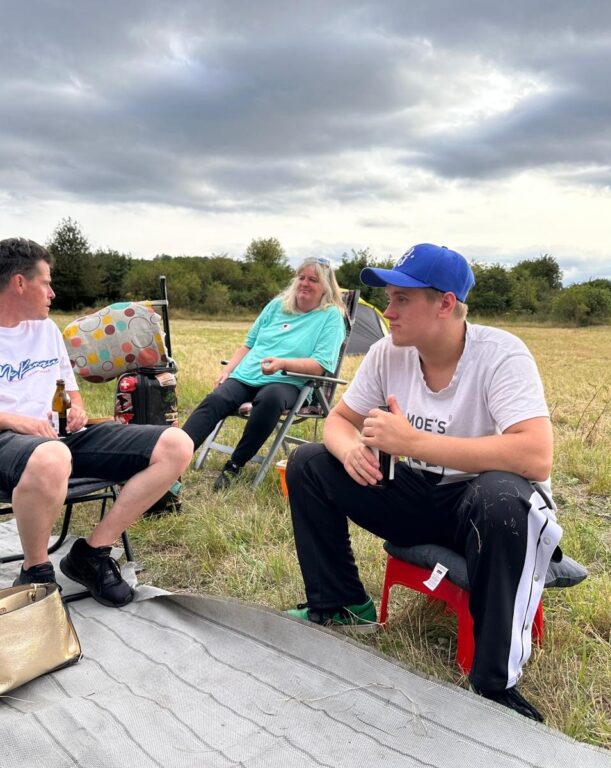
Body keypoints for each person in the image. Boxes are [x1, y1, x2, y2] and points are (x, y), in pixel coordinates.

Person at [284, 243, 561, 722]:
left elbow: (535, 455)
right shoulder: (387, 352)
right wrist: (351, 450)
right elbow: (337, 421)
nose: (387, 312)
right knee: (310, 462)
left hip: (487, 508)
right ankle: (342, 604)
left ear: (445, 304)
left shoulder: (500, 354)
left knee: (499, 494)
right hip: (420, 494)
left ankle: (494, 681)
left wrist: (412, 442)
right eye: (388, 299)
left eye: (401, 300)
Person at [0, 237, 193, 606]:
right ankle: (36, 571)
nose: (52, 292)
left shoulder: (46, 332)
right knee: (51, 456)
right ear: (19, 283)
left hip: (57, 437)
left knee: (177, 445)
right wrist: (12, 420)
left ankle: (92, 553)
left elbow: (68, 391)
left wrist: (75, 408)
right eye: (45, 282)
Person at [182, 257, 346, 490]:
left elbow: (320, 365)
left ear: (326, 288)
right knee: (217, 399)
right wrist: (228, 370)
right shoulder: (277, 306)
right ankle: (175, 453)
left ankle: (235, 465)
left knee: (271, 399)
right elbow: (248, 345)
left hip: (287, 381)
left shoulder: (331, 316)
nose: (305, 283)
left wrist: (282, 364)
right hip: (249, 374)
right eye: (301, 277)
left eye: (313, 279)